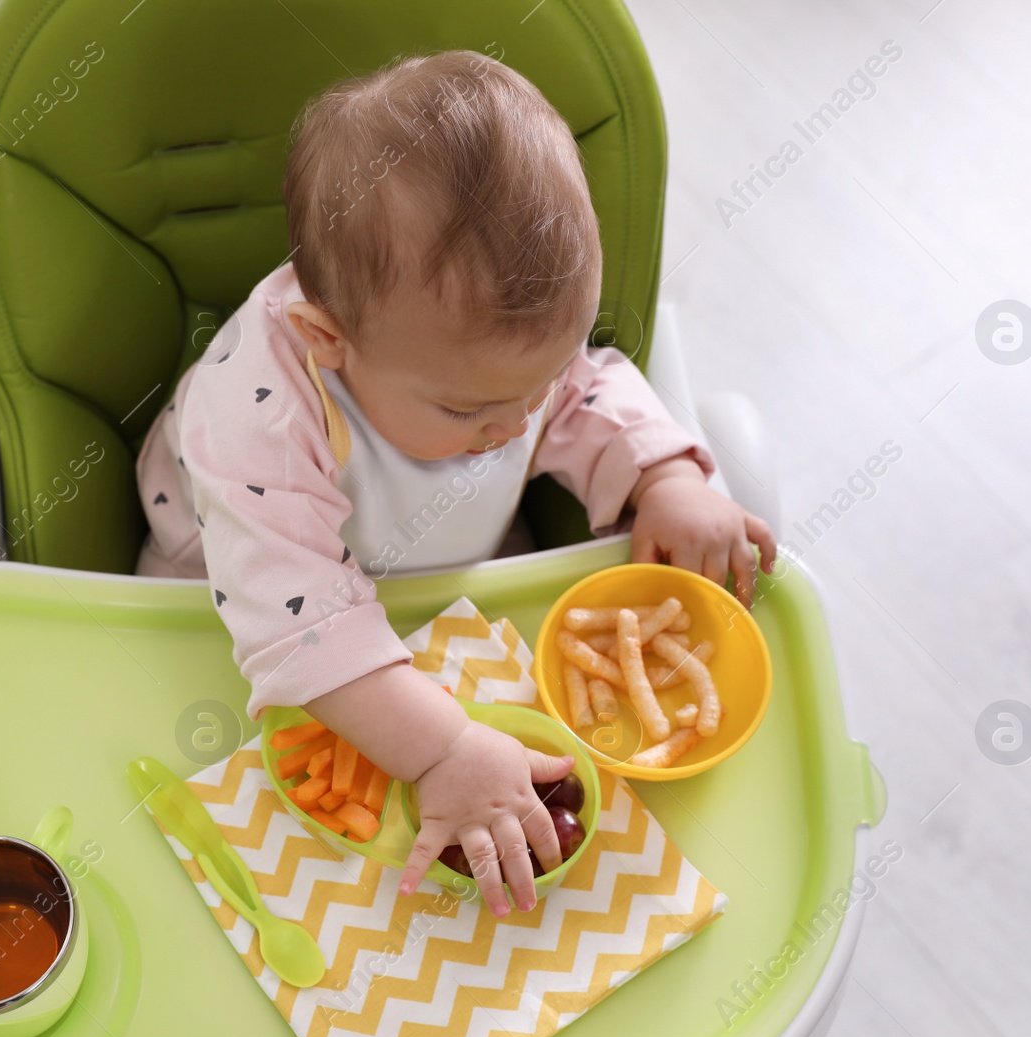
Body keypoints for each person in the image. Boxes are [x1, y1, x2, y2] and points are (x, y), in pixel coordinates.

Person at [136, 50, 776, 915]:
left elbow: (583, 387)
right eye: (472, 407)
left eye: (531, 388)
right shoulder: (254, 418)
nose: (516, 425)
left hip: (455, 565)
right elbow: (301, 623)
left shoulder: (492, 372)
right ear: (330, 341)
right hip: (233, 599)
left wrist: (664, 477)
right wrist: (440, 755)